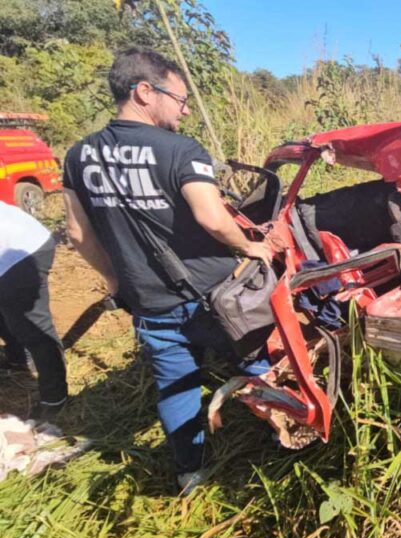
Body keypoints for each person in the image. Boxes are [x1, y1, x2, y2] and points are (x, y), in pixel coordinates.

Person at [61, 46, 273, 495]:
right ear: (144, 91)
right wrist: (251, 247)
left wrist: (119, 281)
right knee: (259, 363)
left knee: (176, 385)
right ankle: (280, 448)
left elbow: (78, 234)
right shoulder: (179, 149)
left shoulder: (79, 156)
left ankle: (189, 472)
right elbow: (213, 218)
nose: (185, 109)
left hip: (150, 301)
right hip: (217, 296)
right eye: (179, 98)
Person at [0, 202, 68, 421]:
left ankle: (55, 398)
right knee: (8, 310)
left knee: (31, 325)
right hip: (12, 243)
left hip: (22, 250)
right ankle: (19, 356)